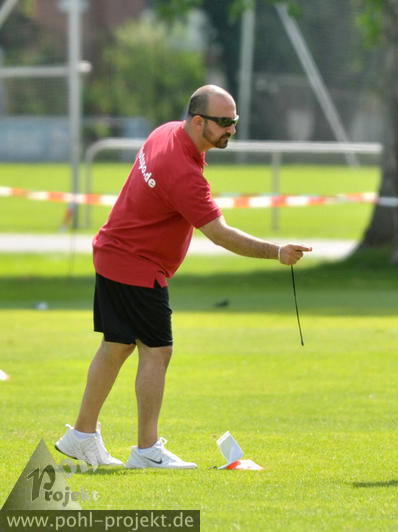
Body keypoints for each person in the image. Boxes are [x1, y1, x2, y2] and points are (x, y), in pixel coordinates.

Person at [55, 85, 312, 469]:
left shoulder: (166, 132)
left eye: (234, 121)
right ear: (198, 121)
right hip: (136, 264)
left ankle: (82, 435)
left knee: (117, 345)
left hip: (113, 252)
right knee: (156, 351)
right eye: (224, 122)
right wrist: (276, 252)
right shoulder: (183, 173)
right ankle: (146, 451)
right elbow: (221, 234)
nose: (231, 129)